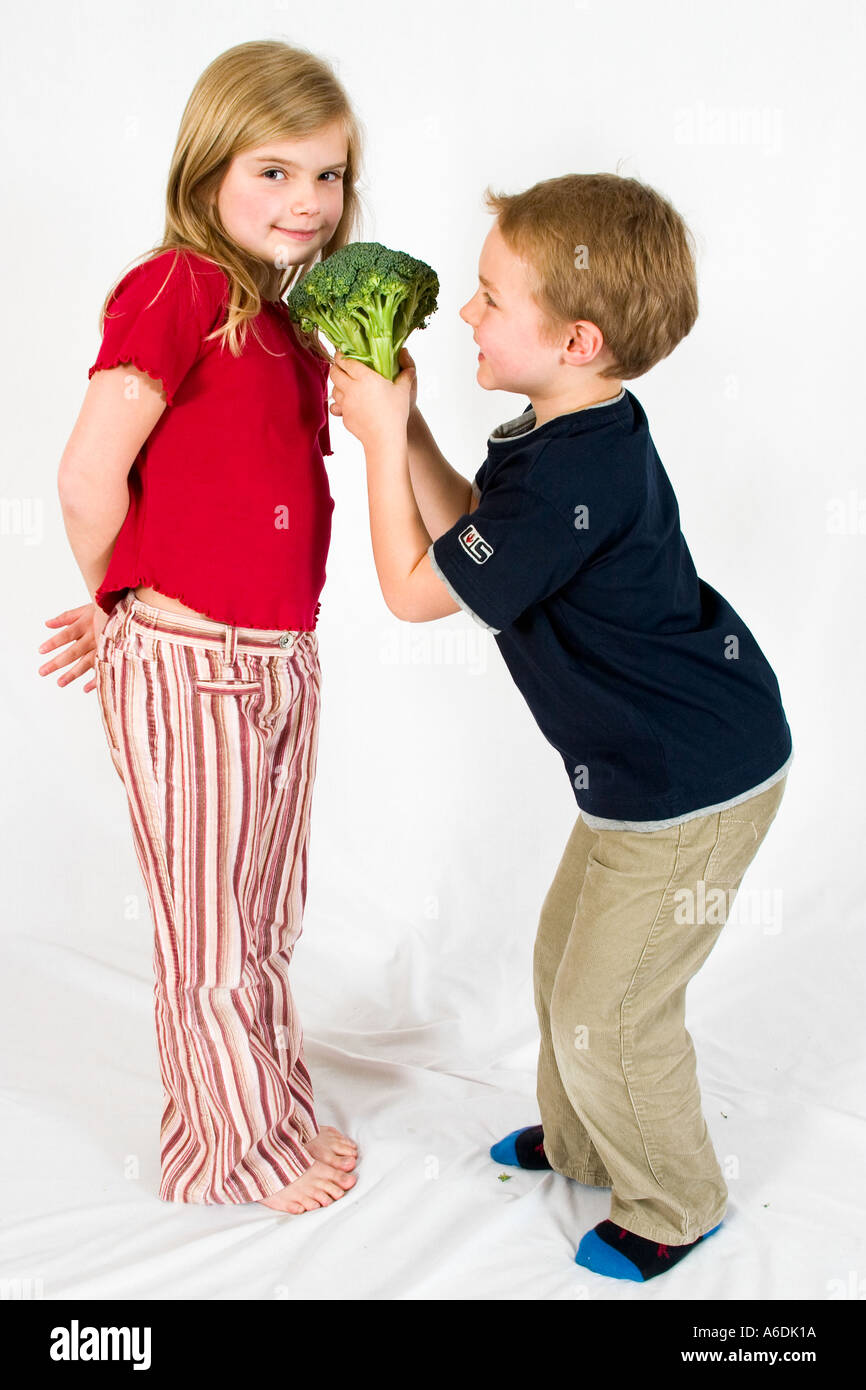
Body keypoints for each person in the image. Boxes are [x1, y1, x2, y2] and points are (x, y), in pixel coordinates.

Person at [328, 171, 794, 1283]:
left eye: (489, 297)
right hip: (642, 773)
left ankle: (677, 1199)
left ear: (575, 337)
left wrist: (379, 443)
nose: (464, 314)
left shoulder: (577, 468)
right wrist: (411, 423)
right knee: (557, 965)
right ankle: (586, 1139)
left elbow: (409, 586)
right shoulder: (567, 434)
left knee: (608, 1012)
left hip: (691, 781)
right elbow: (479, 539)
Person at [39, 39, 365, 1214]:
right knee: (211, 933)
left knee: (265, 911)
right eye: (273, 172)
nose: (307, 202)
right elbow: (88, 478)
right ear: (208, 168)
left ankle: (264, 1102)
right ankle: (229, 1155)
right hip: (193, 665)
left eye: (327, 176)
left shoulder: (285, 327)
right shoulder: (180, 288)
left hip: (277, 664)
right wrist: (123, 608)